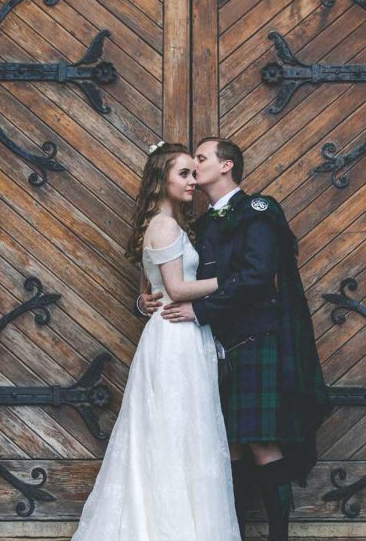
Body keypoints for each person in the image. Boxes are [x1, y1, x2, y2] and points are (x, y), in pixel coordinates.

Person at [139, 137, 330, 541]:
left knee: (261, 441)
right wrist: (148, 300)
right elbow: (177, 278)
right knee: (231, 447)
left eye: (202, 160)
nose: (195, 168)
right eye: (188, 167)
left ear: (226, 166)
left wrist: (199, 310)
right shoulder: (201, 224)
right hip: (211, 349)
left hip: (256, 340)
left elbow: (258, 276)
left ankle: (279, 535)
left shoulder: (257, 210)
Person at [72, 142, 240, 541]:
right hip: (175, 338)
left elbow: (149, 290)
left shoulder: (167, 223)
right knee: (176, 431)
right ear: (161, 179)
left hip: (177, 333)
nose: (193, 181)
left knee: (179, 430)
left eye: (193, 172)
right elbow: (177, 289)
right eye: (183, 173)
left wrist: (142, 300)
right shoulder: (165, 226)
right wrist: (231, 281)